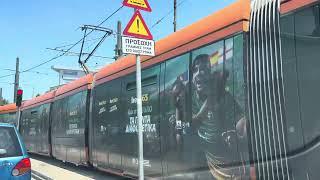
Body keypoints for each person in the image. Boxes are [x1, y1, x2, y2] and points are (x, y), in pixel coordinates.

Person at [172, 54, 248, 179]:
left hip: (232, 169)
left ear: (210, 75)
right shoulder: (190, 99)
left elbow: (242, 123)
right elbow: (185, 129)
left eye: (203, 69)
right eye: (195, 70)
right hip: (208, 167)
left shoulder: (224, 97)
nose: (198, 74)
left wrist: (239, 137)